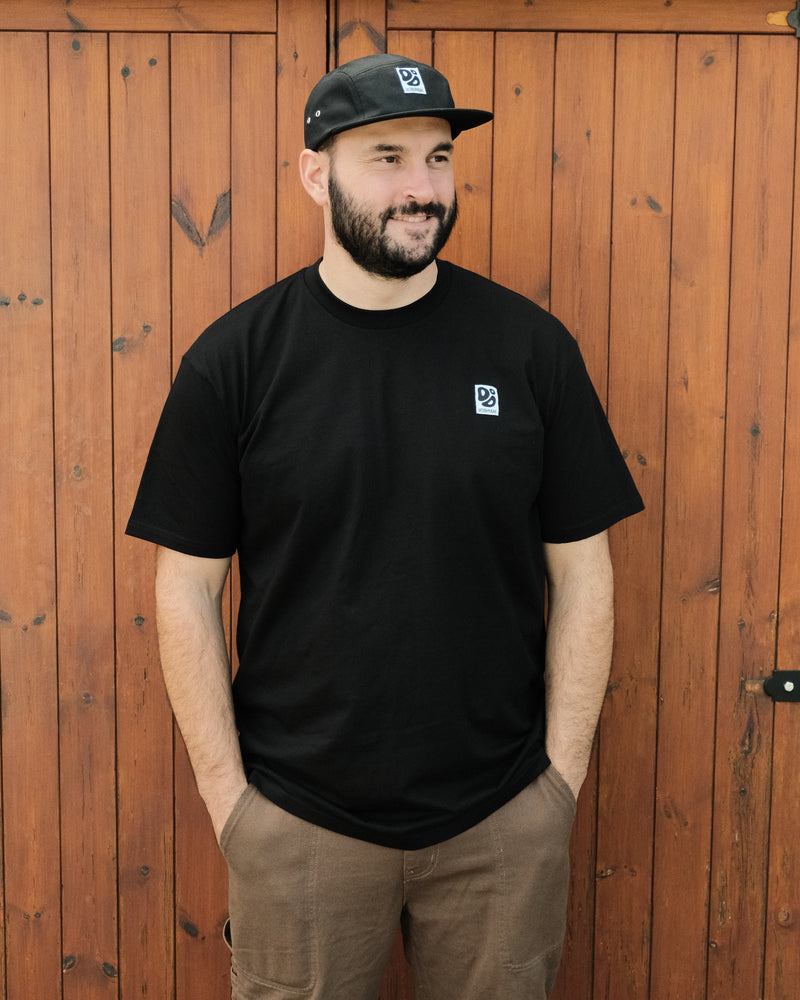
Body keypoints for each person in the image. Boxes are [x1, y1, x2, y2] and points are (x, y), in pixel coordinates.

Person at [127, 53, 643, 1000]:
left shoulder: (530, 349)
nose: (422, 188)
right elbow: (186, 587)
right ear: (316, 174)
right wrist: (233, 806)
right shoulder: (235, 362)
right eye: (388, 157)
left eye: (440, 158)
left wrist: (555, 788)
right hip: (302, 824)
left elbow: (585, 573)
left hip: (499, 821)